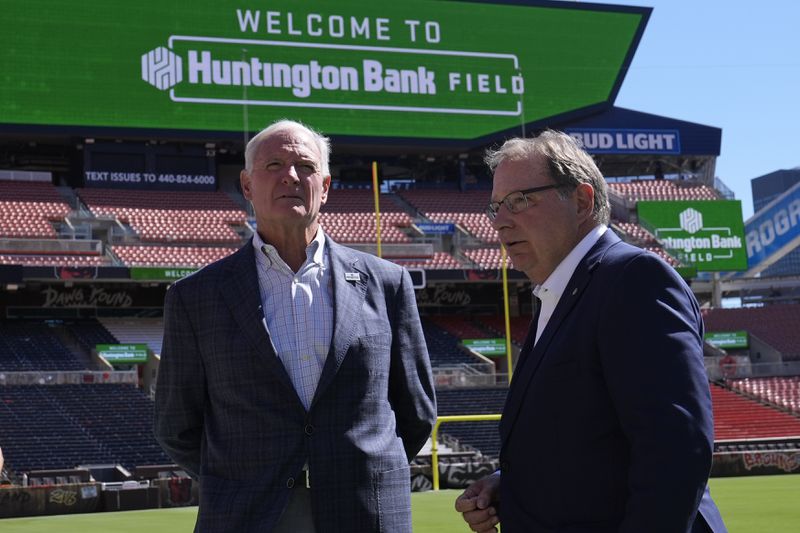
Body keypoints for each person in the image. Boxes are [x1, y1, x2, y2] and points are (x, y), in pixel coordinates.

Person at [154, 119, 436, 533]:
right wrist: (246, 477)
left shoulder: (387, 283)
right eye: (274, 165)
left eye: (304, 165)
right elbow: (175, 426)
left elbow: (416, 412)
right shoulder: (195, 297)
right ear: (247, 187)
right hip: (248, 514)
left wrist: (358, 470)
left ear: (324, 187)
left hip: (365, 511)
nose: (290, 175)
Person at [455, 130, 726, 532]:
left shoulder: (634, 279)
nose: (499, 221)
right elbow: (587, 447)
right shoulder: (563, 292)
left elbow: (675, 451)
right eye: (496, 206)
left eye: (520, 201)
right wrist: (508, 486)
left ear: (581, 201)